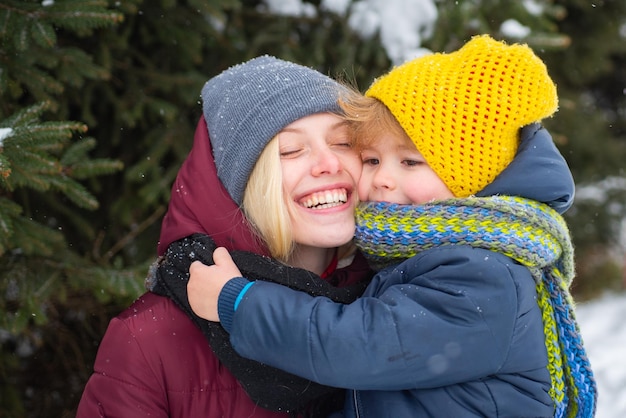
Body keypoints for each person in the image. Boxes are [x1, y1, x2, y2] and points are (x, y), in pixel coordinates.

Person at [186, 35, 597, 417]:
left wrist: (237, 303)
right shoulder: (435, 258)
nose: (382, 178)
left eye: (410, 161)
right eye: (371, 160)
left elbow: (357, 346)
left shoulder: (483, 276)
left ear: (470, 181)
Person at [76, 56, 374, 417]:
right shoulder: (148, 340)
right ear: (243, 185)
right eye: (290, 150)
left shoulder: (398, 304)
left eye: (343, 142)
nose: (329, 163)